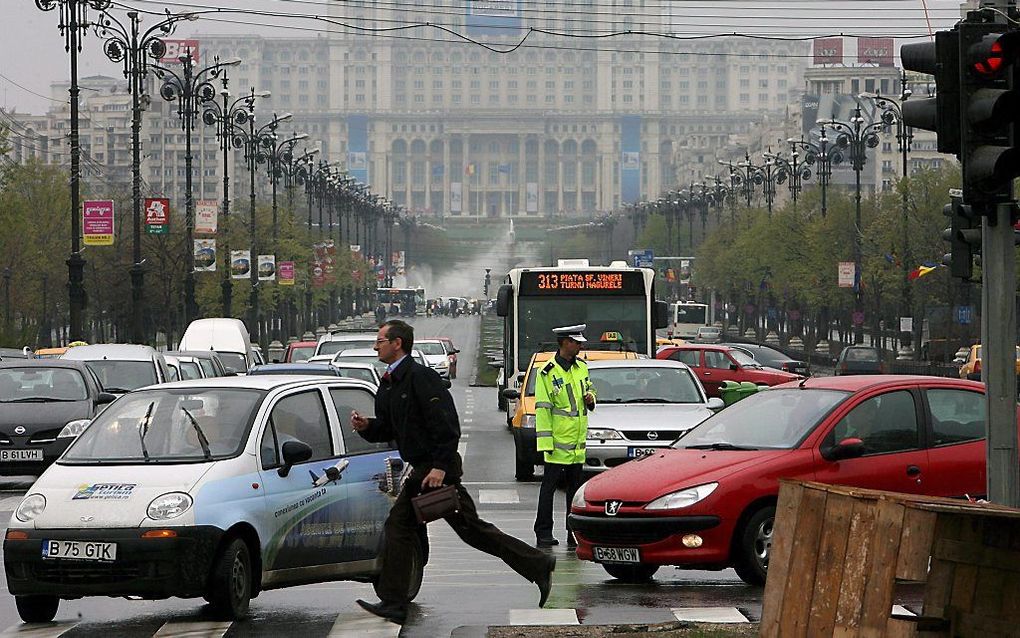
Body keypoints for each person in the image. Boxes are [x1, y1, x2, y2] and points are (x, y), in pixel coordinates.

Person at [351, 320, 555, 624]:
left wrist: (441, 467)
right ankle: (537, 564)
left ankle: (394, 602)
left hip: (434, 471)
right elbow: (391, 427)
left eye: (380, 340)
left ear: (397, 343)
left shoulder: (421, 378)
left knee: (442, 529)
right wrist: (368, 427)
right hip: (422, 470)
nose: (375, 346)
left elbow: (447, 426)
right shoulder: (390, 381)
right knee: (432, 528)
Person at [534, 324, 596, 549]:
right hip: (557, 444)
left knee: (574, 492)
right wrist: (546, 442)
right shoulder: (547, 372)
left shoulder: (581, 367)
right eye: (577, 342)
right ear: (565, 343)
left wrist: (591, 399)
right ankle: (543, 532)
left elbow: (589, 391)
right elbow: (543, 408)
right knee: (548, 490)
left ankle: (574, 533)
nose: (580, 346)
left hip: (578, 444)